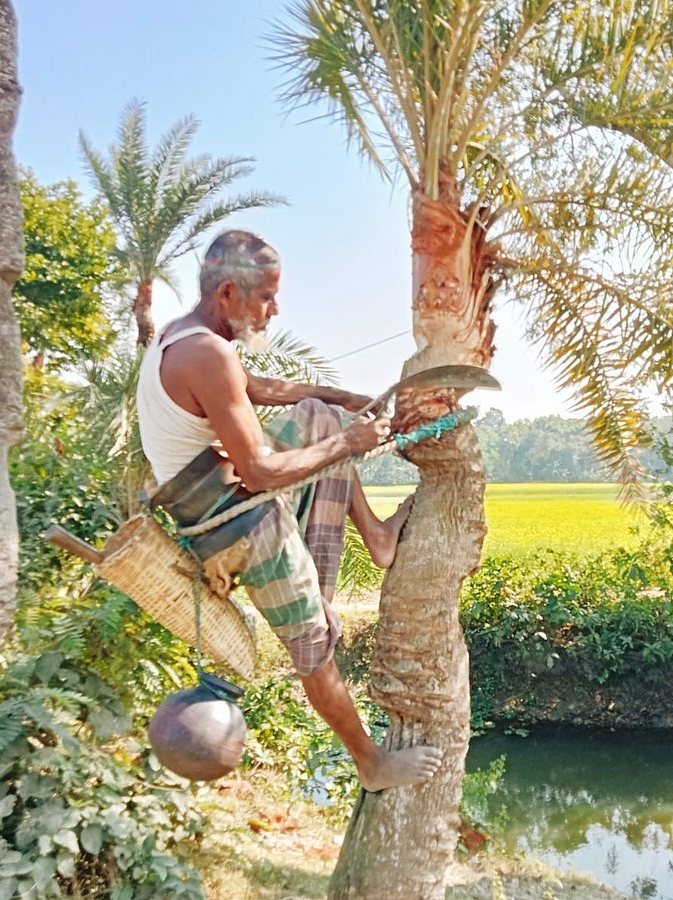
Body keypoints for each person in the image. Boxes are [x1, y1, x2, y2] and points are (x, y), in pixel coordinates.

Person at [136, 229, 443, 792]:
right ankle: (371, 764)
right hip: (232, 521)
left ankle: (375, 538)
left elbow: (254, 387)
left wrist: (342, 402)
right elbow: (259, 474)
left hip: (217, 493)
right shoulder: (207, 354)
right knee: (312, 645)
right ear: (228, 293)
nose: (274, 309)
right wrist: (352, 443)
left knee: (314, 417)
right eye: (266, 298)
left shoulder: (189, 336)